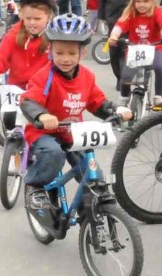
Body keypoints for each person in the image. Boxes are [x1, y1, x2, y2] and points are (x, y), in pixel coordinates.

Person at [18, 13, 121, 212]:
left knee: (93, 173)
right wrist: (42, 116)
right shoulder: (44, 76)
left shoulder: (87, 77)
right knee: (53, 153)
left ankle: (89, 212)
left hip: (72, 133)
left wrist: (116, 110)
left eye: (72, 53)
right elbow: (28, 100)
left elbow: (96, 102)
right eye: (59, 53)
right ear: (50, 50)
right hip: (44, 133)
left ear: (83, 53)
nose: (65, 59)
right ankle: (35, 186)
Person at [0, 0, 57, 118]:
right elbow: (1, 56)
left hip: (44, 89)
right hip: (17, 88)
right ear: (21, 15)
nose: (32, 23)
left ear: (49, 16)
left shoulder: (54, 37)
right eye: (28, 18)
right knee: (10, 122)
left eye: (37, 19)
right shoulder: (13, 34)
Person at [107, 0, 162, 109]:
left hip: (154, 48)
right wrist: (114, 36)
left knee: (159, 67)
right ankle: (123, 98)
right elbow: (119, 25)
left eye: (146, 1)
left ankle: (158, 96)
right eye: (138, 1)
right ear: (133, 1)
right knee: (126, 74)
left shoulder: (157, 12)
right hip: (134, 48)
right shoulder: (131, 13)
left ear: (153, 0)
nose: (141, 5)